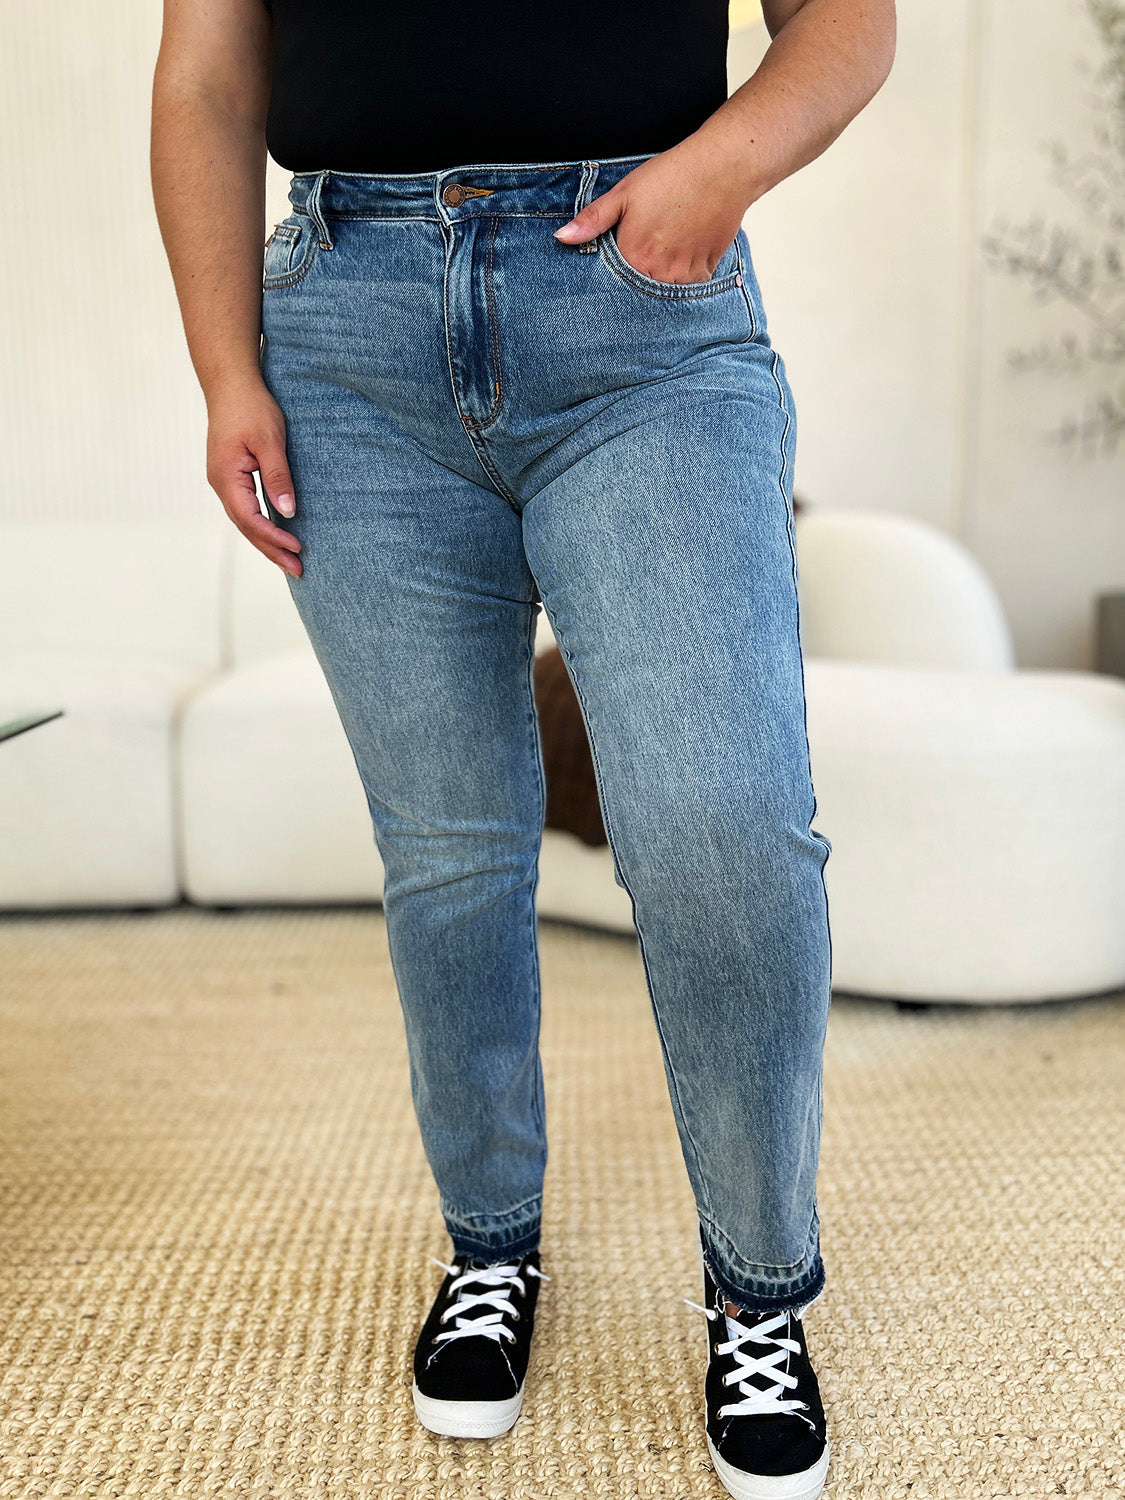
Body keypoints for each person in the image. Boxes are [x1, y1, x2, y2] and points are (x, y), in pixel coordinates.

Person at [152, 1, 895, 1494]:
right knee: (447, 847)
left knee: (723, 827)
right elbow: (210, 73)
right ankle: (490, 1244)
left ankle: (757, 1287)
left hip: (636, 316)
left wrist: (713, 175)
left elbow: (847, 26)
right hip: (344, 335)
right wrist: (224, 370)